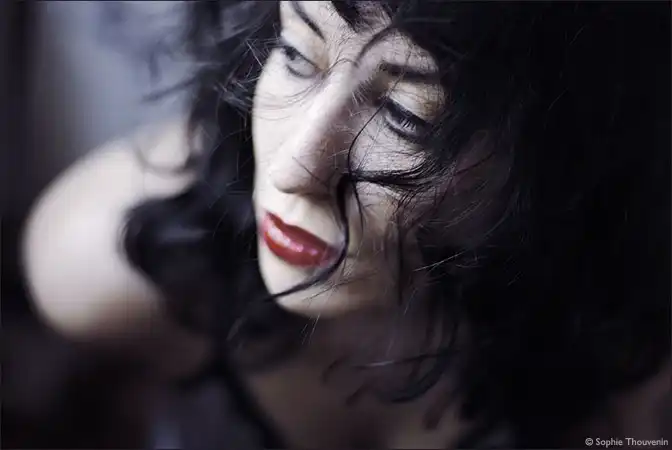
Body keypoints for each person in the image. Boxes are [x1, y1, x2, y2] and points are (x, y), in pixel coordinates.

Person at [22, 1, 670, 448]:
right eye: (295, 54)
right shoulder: (117, 262)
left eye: (407, 117)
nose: (294, 169)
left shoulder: (635, 383)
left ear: (564, 162)